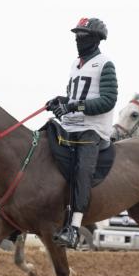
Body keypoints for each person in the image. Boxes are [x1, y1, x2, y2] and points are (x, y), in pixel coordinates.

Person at [46, 17, 118, 249]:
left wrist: (73, 106)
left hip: (92, 129)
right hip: (70, 125)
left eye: (83, 36)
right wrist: (60, 101)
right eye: (76, 35)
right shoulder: (74, 65)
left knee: (82, 171)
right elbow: (74, 97)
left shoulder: (105, 64)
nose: (78, 39)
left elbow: (108, 100)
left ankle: (74, 228)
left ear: (96, 39)